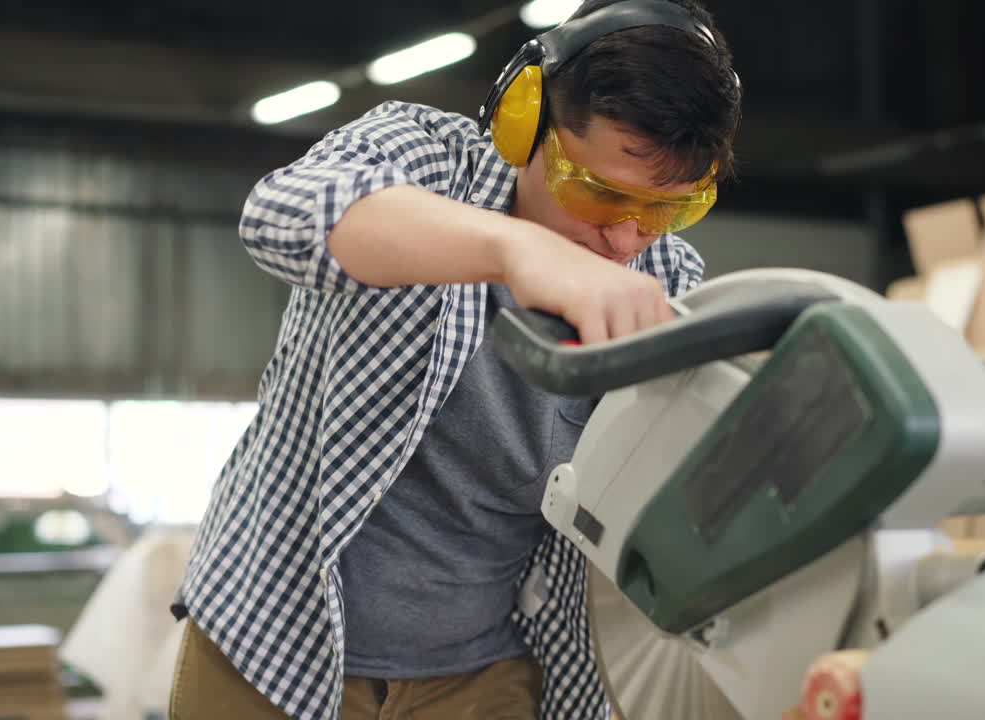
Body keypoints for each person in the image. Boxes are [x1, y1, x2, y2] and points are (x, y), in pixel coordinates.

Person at [168, 0, 741, 718]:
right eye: (597, 194)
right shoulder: (426, 158)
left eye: (666, 210)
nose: (627, 242)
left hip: (485, 677)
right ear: (525, 123)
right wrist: (517, 250)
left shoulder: (670, 287)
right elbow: (284, 215)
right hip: (273, 639)